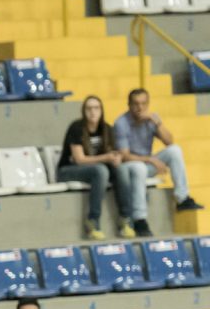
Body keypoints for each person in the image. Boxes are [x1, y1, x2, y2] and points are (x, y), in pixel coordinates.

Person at [114, 88, 204, 237]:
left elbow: (169, 141)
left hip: (147, 164)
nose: (140, 108)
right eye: (136, 104)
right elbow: (124, 156)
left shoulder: (152, 119)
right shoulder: (121, 123)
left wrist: (158, 123)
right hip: (129, 166)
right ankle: (139, 219)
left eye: (143, 103)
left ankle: (182, 198)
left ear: (148, 104)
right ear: (129, 105)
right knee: (139, 168)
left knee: (175, 150)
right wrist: (150, 159)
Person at [57, 95, 135, 240]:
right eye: (89, 108)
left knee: (121, 169)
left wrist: (116, 158)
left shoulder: (106, 128)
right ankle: (93, 222)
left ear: (101, 111)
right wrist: (106, 157)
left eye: (96, 108)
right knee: (101, 170)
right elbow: (80, 160)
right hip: (68, 170)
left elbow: (112, 153)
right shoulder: (76, 128)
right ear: (83, 111)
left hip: (94, 170)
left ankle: (126, 220)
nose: (93, 112)